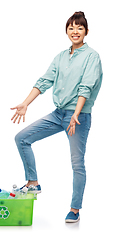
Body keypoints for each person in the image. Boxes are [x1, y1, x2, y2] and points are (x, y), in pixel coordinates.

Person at [11, 11, 103, 223]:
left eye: (79, 28)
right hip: (58, 114)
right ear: (67, 31)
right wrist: (25, 103)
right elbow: (45, 80)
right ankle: (33, 182)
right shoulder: (61, 56)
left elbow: (86, 87)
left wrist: (76, 114)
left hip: (78, 117)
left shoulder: (92, 56)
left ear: (86, 32)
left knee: (77, 163)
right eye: (71, 28)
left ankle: (75, 209)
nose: (75, 31)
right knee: (22, 138)